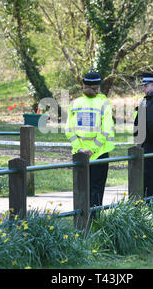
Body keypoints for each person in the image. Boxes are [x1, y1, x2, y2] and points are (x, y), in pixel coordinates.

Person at [65, 72, 115, 209]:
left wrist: (79, 148)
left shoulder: (75, 103)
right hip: (99, 154)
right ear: (98, 87)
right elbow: (105, 131)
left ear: (83, 85)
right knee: (96, 188)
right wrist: (92, 149)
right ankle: (94, 219)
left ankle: (80, 220)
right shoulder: (104, 104)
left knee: (81, 188)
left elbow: (68, 130)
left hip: (79, 154)